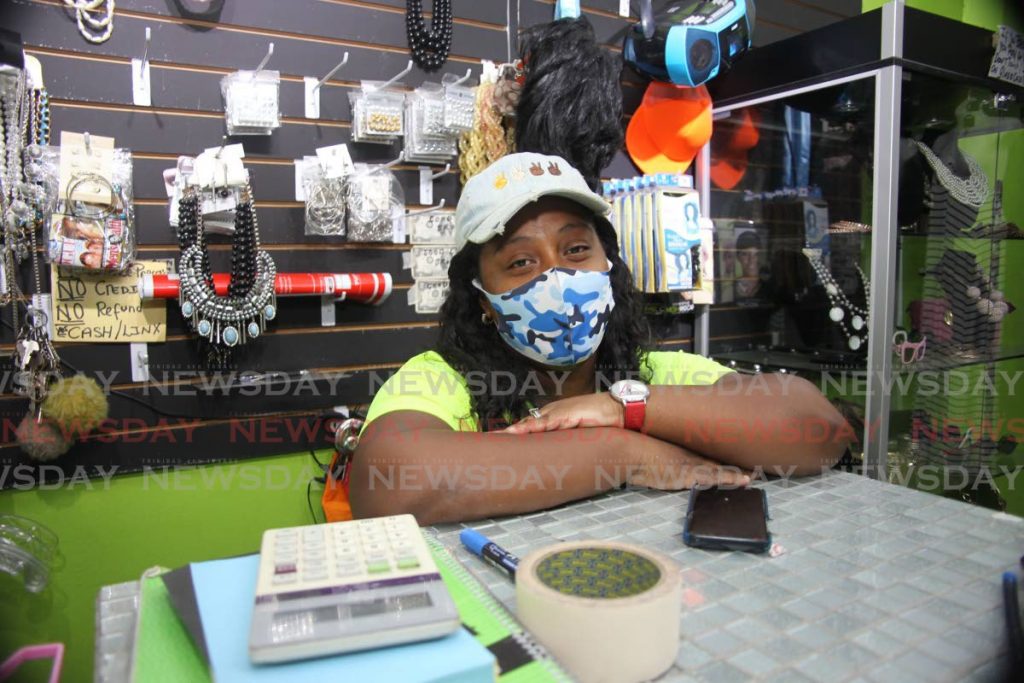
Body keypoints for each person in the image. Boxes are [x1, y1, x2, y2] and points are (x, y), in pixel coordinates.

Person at [351, 153, 849, 524]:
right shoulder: (441, 381)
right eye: (521, 262)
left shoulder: (653, 374)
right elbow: (391, 482)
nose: (558, 277)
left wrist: (624, 409)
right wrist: (624, 453)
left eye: (575, 250)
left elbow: (820, 431)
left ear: (608, 268)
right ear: (483, 300)